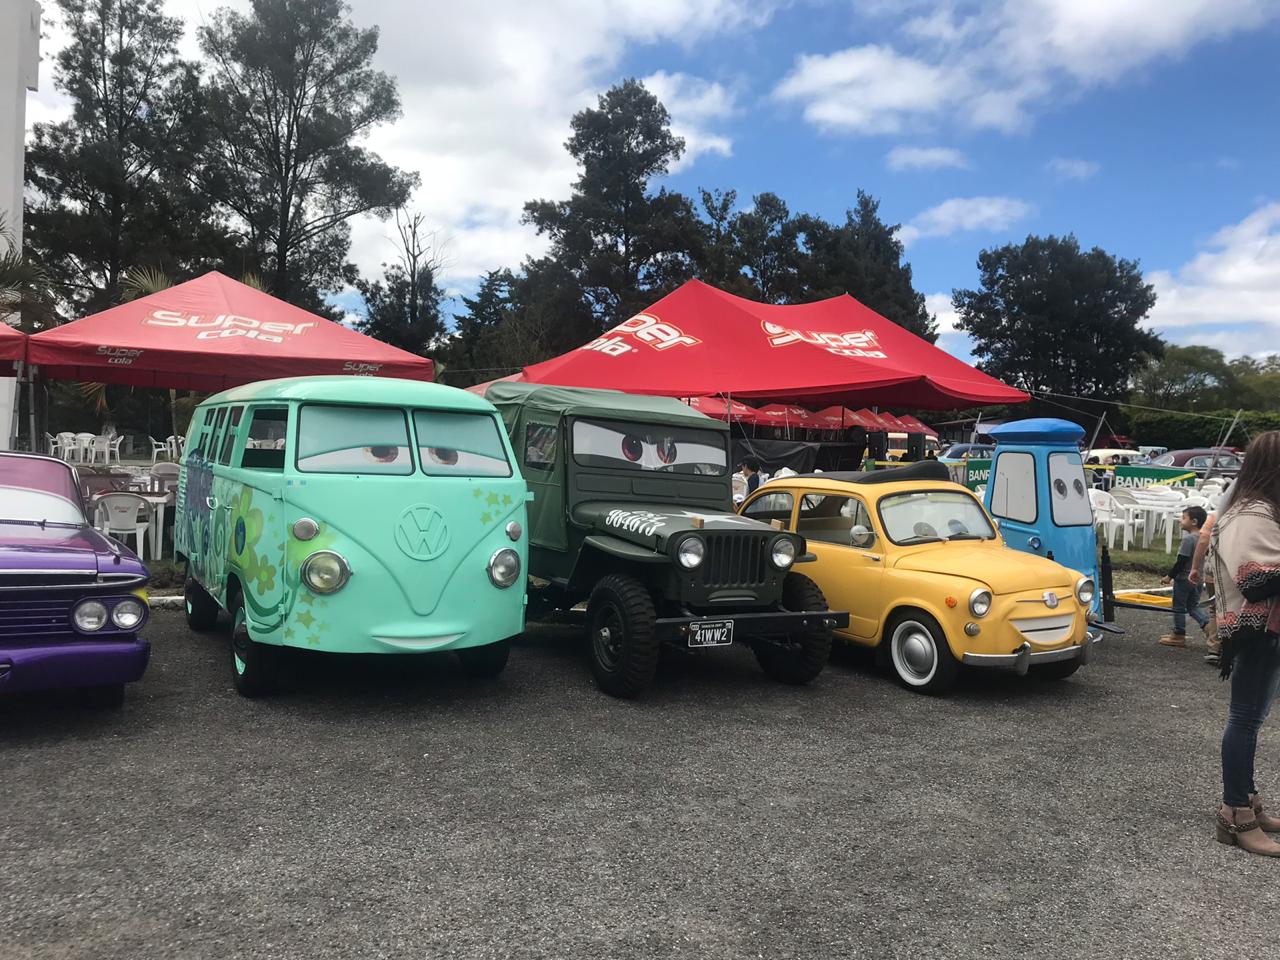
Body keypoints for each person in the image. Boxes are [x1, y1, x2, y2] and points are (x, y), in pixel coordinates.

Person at [1210, 431, 1280, 858]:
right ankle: (1234, 813)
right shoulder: (1251, 514)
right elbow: (1255, 581)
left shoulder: (1263, 511)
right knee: (1244, 720)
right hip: (1255, 633)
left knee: (1251, 720)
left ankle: (1247, 800)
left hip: (1267, 633)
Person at [1159, 505, 1210, 647]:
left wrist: (1169, 576)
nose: (1180, 521)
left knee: (1178, 607)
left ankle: (1178, 634)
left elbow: (1181, 561)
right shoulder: (1203, 537)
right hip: (1198, 578)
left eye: (1183, 518)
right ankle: (1208, 626)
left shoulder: (1188, 539)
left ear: (1193, 521)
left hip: (1183, 578)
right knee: (1193, 606)